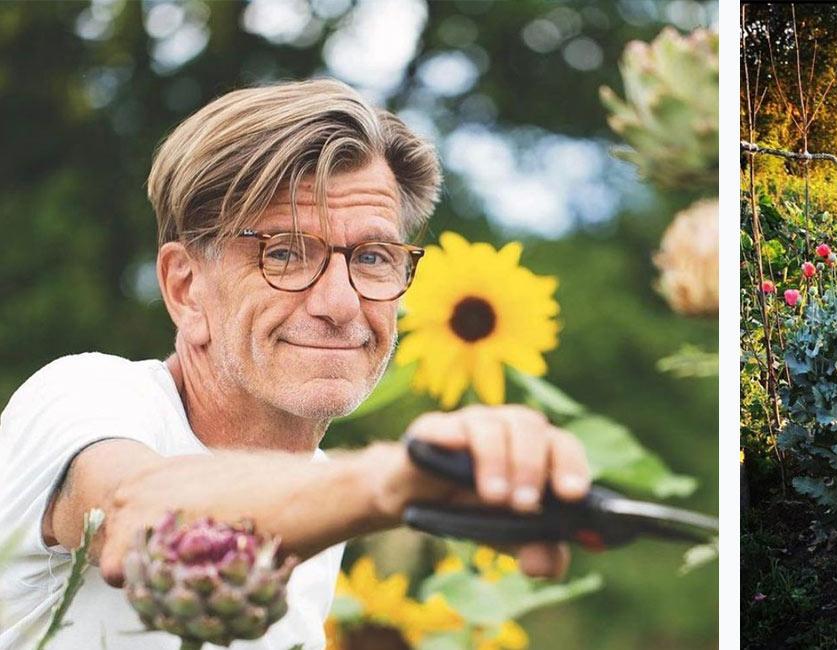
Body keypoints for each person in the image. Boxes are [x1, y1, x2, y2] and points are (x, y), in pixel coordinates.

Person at [0, 78, 591, 649]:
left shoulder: (316, 494)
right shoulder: (84, 398)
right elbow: (141, 520)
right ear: (186, 288)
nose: (340, 303)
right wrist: (395, 480)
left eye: (374, 257)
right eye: (283, 253)